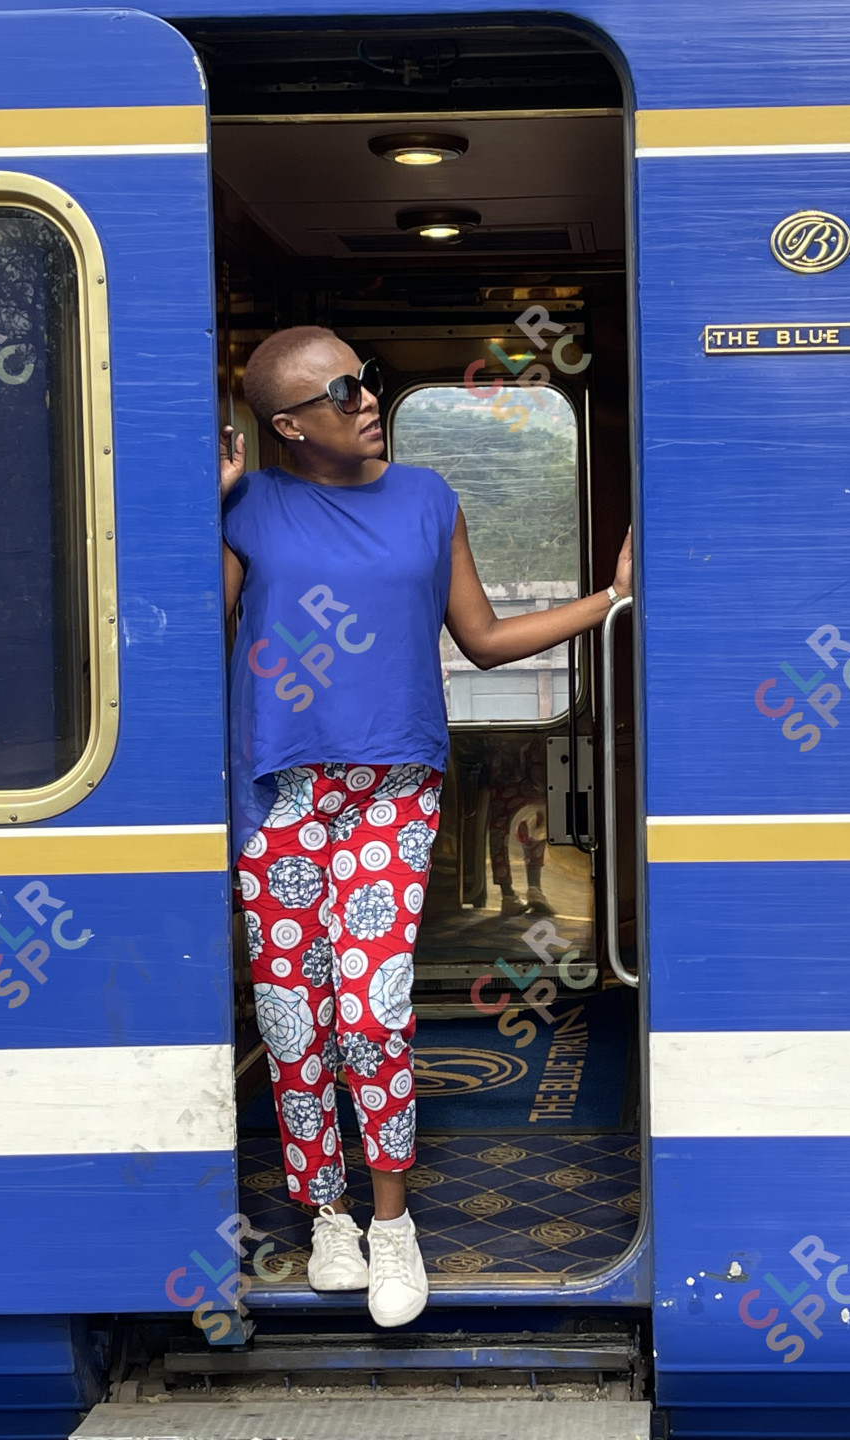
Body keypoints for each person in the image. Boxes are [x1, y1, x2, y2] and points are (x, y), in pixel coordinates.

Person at [219, 326, 632, 1327]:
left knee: (371, 1015)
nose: (367, 400)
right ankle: (328, 1216)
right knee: (293, 1022)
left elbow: (483, 641)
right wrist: (197, 510)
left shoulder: (427, 498)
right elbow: (182, 637)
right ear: (289, 426)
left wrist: (614, 598)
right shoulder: (247, 507)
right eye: (343, 391)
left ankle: (393, 1225)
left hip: (392, 791)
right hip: (280, 793)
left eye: (367, 381)